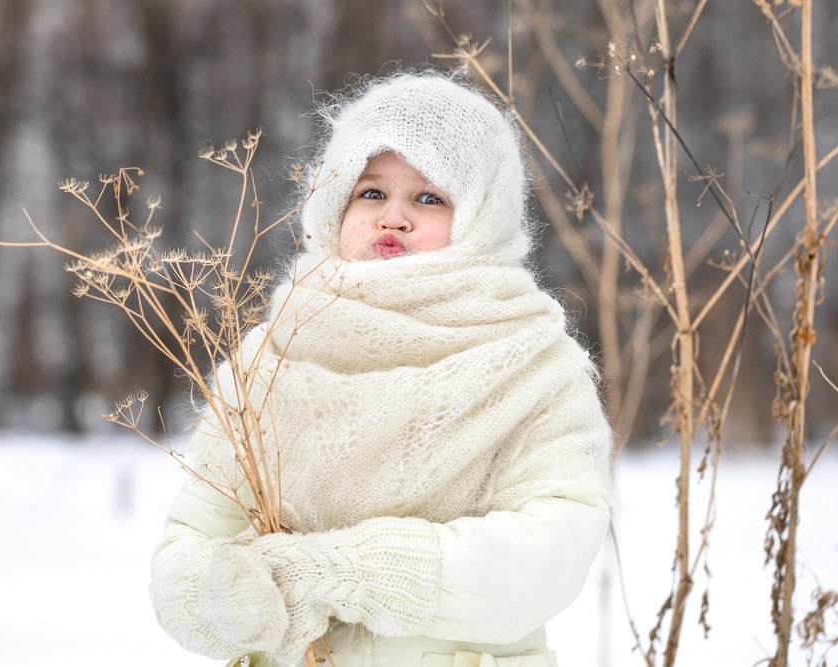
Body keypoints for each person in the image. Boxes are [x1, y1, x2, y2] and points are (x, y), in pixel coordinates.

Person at [149, 68, 612, 667]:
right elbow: (185, 550)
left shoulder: (532, 364)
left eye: (429, 197)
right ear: (332, 204)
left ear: (483, 214)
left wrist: (350, 572)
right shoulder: (273, 359)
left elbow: (553, 551)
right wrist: (223, 596)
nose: (393, 218)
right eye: (371, 193)